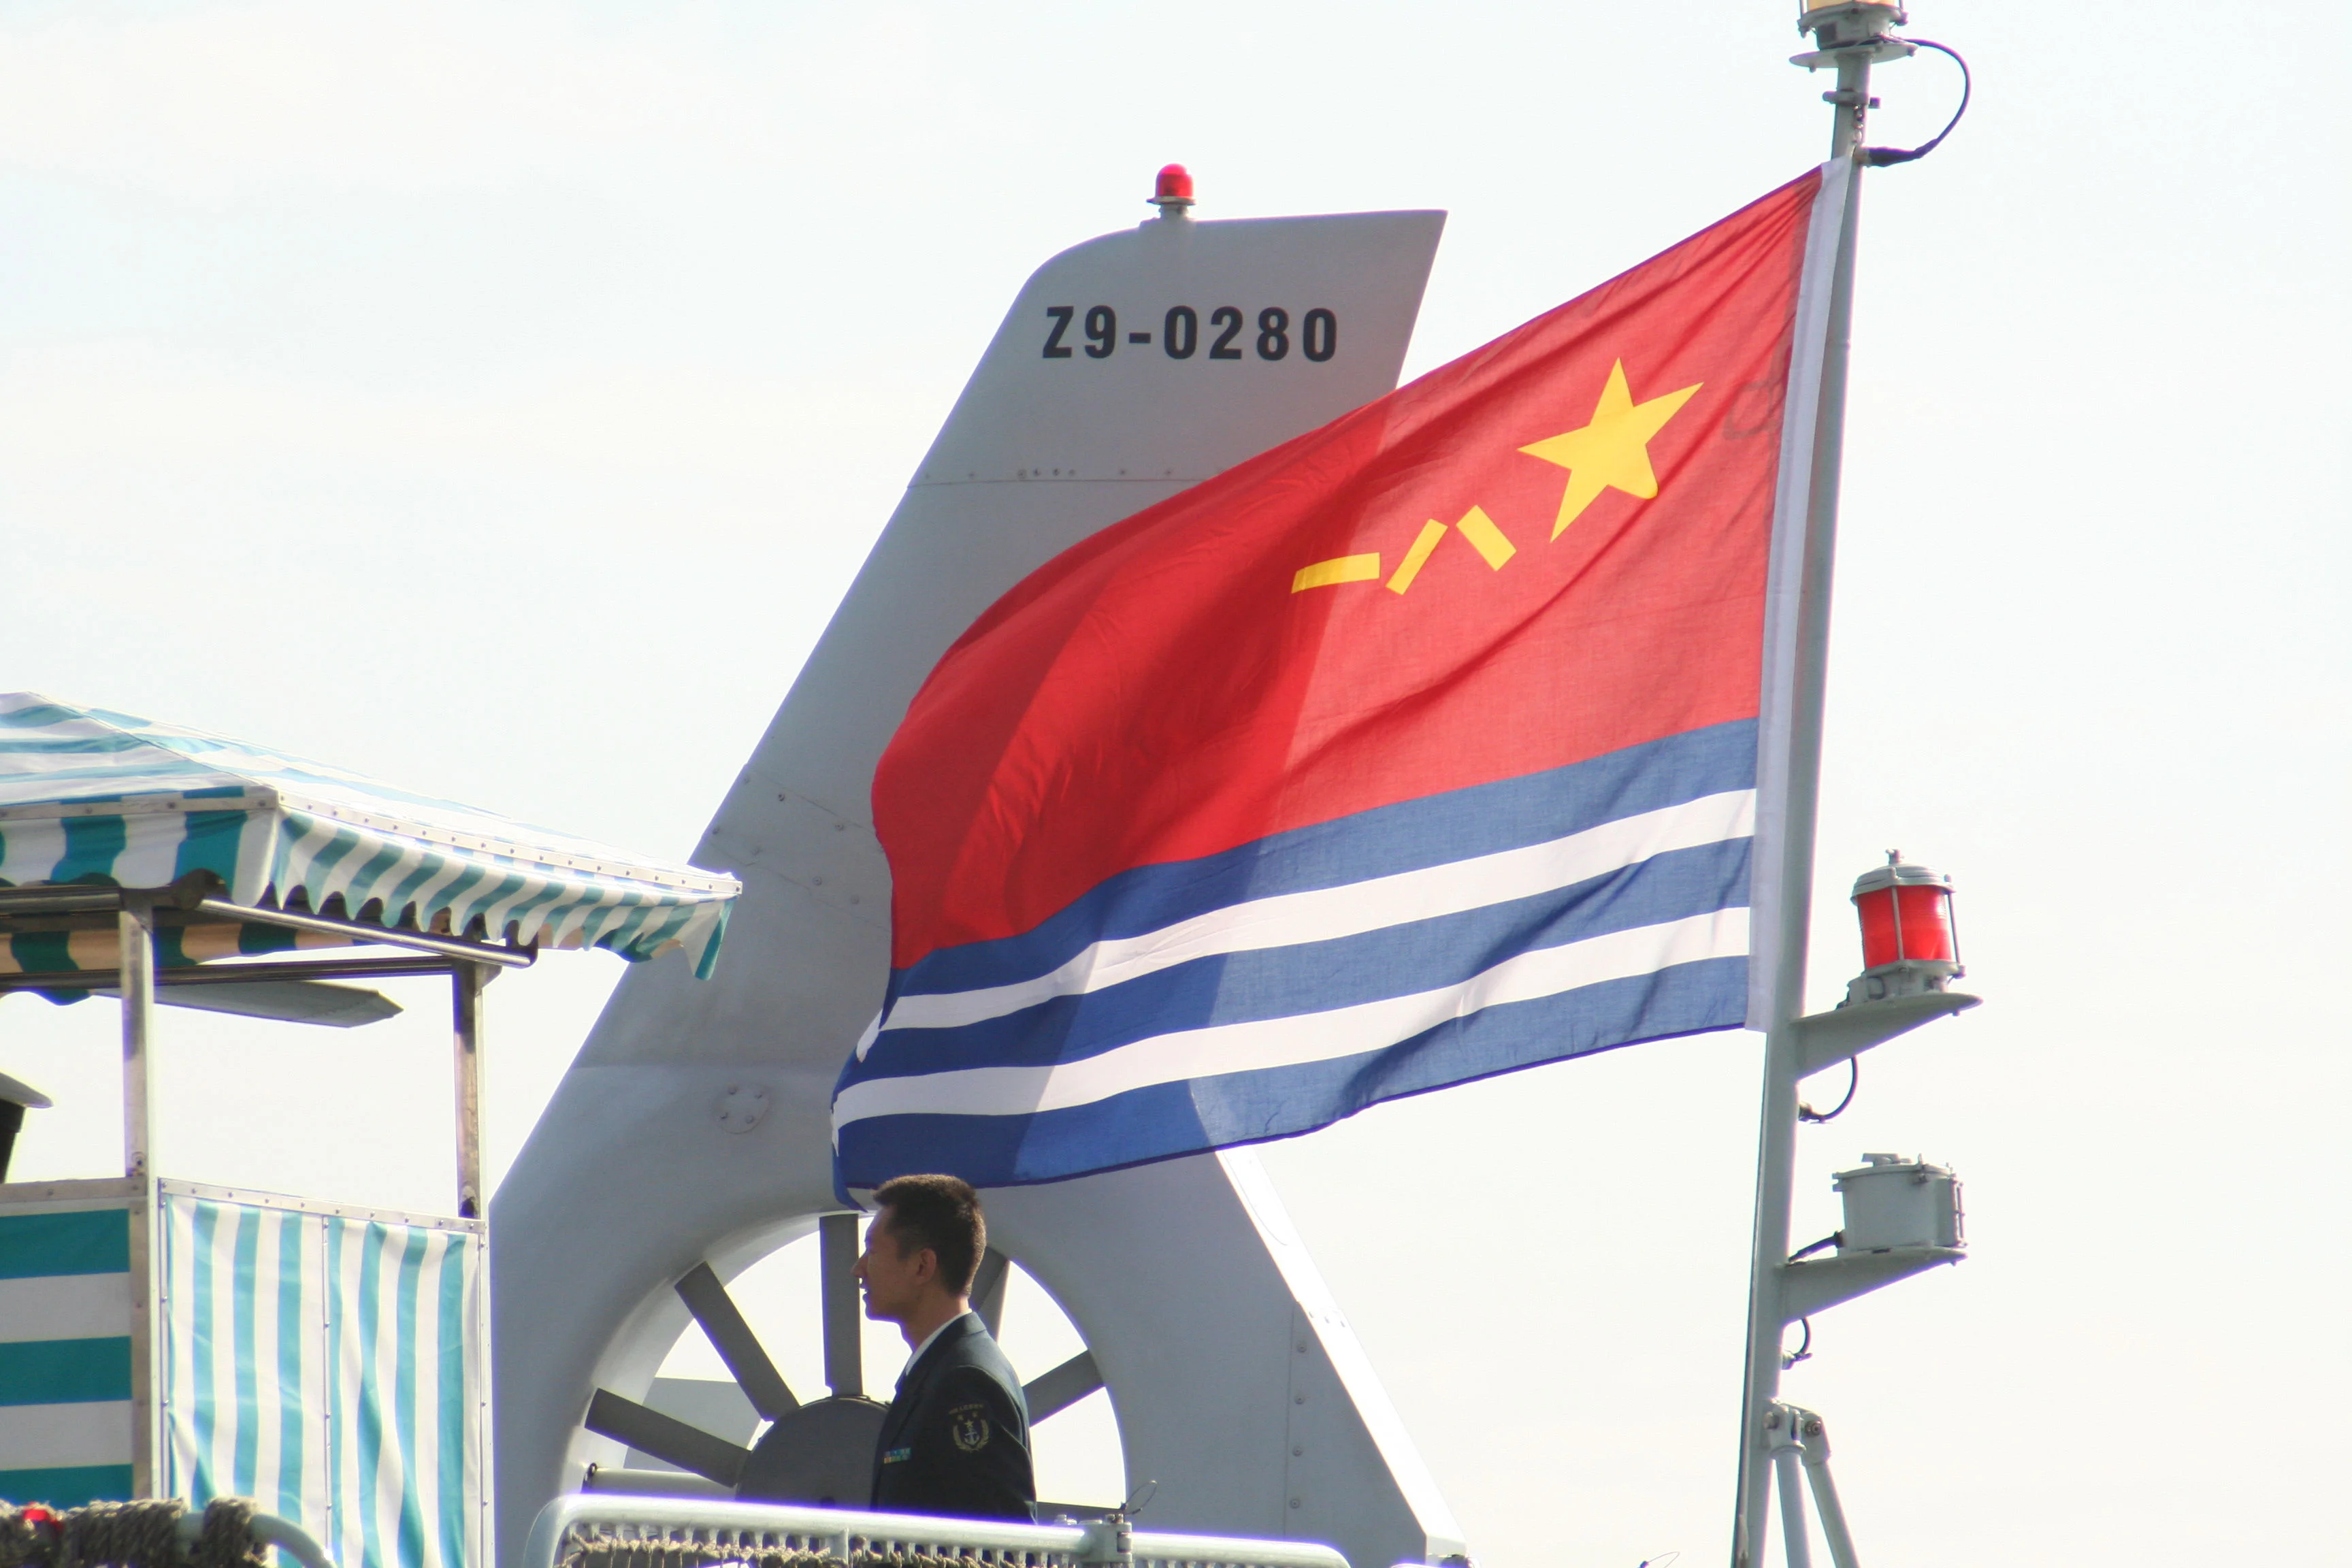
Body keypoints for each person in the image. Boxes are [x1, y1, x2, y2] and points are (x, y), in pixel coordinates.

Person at [853, 1173, 1036, 1520]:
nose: (858, 1269)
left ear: (923, 1265)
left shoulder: (965, 1381)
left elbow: (996, 1542)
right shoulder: (942, 1370)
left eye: (873, 1251)